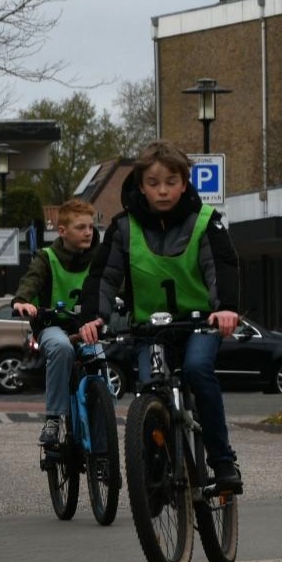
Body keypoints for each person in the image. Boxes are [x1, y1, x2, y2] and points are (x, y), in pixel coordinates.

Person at [79, 140, 244, 489]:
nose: (163, 190)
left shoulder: (206, 222)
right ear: (141, 186)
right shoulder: (124, 227)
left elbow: (222, 267)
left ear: (184, 183)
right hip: (149, 329)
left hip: (199, 324)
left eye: (171, 181)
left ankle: (223, 461)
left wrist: (225, 309)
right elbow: (104, 275)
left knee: (199, 371)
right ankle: (153, 469)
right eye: (153, 183)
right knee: (150, 389)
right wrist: (95, 316)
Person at [13, 198, 98, 448]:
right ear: (62, 231)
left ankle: (103, 442)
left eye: (91, 227)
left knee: (102, 355)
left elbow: (115, 283)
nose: (88, 232)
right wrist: (23, 302)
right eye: (81, 227)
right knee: (61, 347)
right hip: (53, 326)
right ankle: (53, 418)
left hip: (87, 328)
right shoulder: (46, 257)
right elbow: (31, 281)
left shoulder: (97, 258)